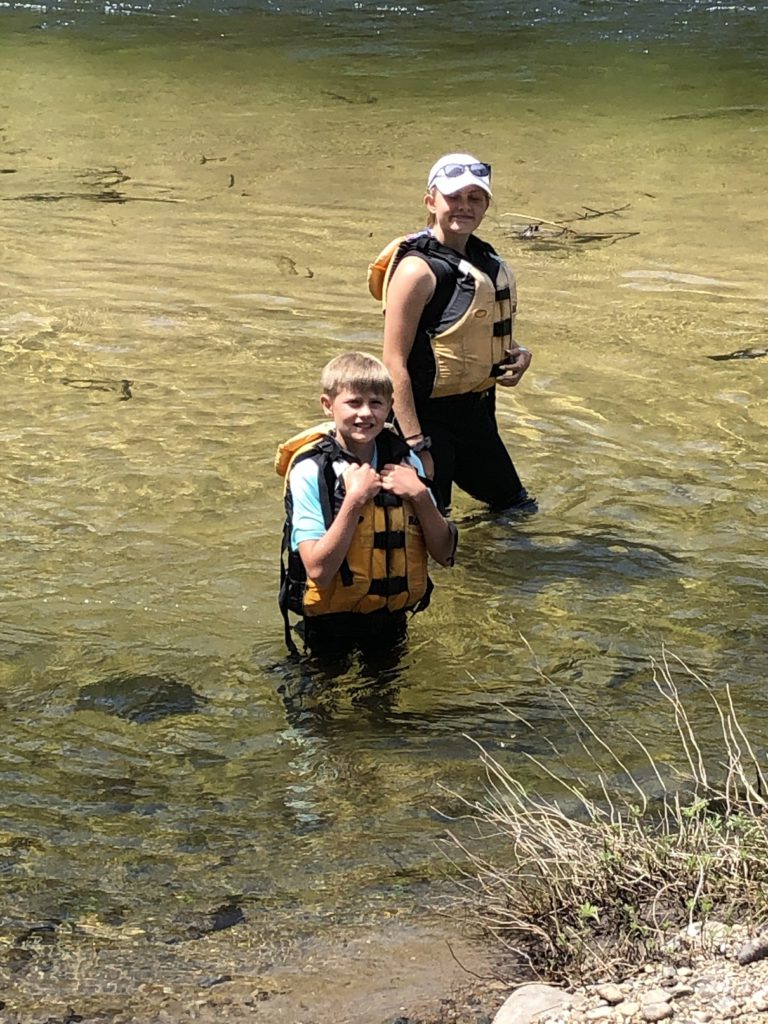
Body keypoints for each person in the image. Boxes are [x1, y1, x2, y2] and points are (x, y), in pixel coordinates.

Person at [370, 152, 536, 514]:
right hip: (428, 420)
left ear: (486, 205)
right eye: (453, 197)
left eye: (474, 198)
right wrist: (416, 444)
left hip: (476, 414)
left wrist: (520, 355)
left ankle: (491, 568)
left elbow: (471, 335)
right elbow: (393, 362)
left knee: (515, 510)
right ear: (431, 201)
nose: (464, 206)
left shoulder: (485, 260)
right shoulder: (417, 271)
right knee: (430, 525)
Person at [276, 351, 458, 657]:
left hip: (391, 618)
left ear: (389, 408)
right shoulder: (311, 470)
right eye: (353, 402)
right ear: (327, 405)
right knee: (319, 701)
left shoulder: (405, 461)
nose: (366, 413)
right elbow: (318, 571)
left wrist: (421, 495)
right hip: (328, 623)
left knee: (385, 700)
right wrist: (354, 500)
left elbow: (445, 555)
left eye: (376, 403)